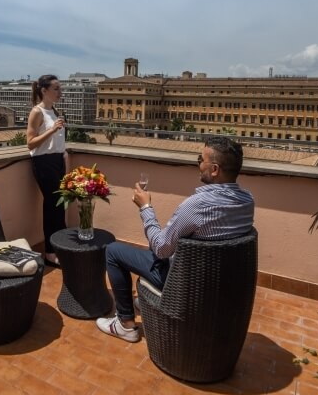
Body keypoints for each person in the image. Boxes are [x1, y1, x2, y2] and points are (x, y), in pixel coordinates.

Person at [96, 136, 254, 342]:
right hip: (217, 286)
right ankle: (141, 302)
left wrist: (145, 208)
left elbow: (161, 249)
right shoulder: (247, 201)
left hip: (182, 283)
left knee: (113, 251)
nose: (198, 164)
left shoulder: (197, 205)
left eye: (200, 159)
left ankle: (125, 324)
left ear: (214, 169)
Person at [27, 74, 69, 266]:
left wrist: (64, 160)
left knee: (60, 205)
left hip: (57, 161)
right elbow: (30, 143)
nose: (60, 92)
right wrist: (52, 130)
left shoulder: (54, 110)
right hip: (43, 163)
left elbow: (58, 144)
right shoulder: (37, 112)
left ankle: (60, 245)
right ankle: (50, 252)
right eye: (56, 88)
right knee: (52, 205)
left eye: (60, 88)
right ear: (44, 91)